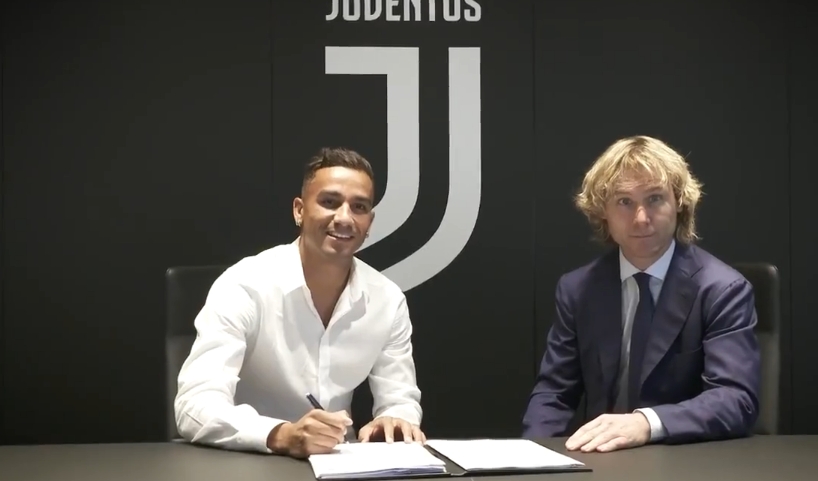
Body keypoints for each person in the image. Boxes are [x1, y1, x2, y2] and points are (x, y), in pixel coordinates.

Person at [174, 147, 426, 458]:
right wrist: (282, 435)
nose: (344, 218)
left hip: (338, 464)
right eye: (329, 202)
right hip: (249, 460)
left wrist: (396, 419)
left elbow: (400, 399)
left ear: (369, 222)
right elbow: (194, 405)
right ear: (299, 211)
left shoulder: (388, 300)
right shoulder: (245, 285)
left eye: (359, 207)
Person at [522, 135, 761, 452]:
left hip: (686, 459)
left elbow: (736, 399)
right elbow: (554, 393)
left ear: (679, 202)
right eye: (624, 202)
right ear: (602, 210)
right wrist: (531, 455)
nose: (641, 218)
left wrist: (647, 423)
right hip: (602, 460)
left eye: (655, 199)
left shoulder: (722, 290)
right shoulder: (578, 289)